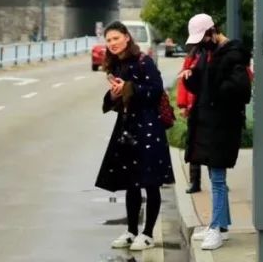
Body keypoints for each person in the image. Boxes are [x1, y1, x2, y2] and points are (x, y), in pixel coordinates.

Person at [95, 21, 175, 252]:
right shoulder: (117, 65)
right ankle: (131, 231)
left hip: (149, 127)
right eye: (108, 40)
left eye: (116, 39)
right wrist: (114, 93)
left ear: (127, 38)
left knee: (150, 182)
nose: (112, 44)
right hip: (127, 127)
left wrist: (129, 88)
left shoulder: (144, 61)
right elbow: (115, 99)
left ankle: (148, 233)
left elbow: (156, 89)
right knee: (131, 182)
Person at [179, 13, 252, 251]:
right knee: (215, 177)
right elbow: (203, 84)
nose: (201, 45)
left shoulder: (233, 55)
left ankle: (214, 228)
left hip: (223, 125)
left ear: (213, 31)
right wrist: (191, 79)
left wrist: (214, 87)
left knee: (218, 180)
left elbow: (240, 89)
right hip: (209, 124)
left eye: (203, 39)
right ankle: (221, 226)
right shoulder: (207, 53)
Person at [176, 43, 203, 193]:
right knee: (192, 144)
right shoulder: (192, 56)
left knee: (212, 145)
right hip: (194, 106)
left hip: (208, 106)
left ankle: (218, 179)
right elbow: (183, 81)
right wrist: (184, 105)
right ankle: (195, 181)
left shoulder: (215, 53)